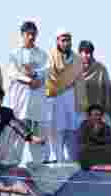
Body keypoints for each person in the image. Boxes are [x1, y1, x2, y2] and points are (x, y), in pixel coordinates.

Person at [5, 21, 47, 164]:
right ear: (22, 35)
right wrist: (28, 80)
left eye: (34, 34)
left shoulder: (42, 54)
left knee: (37, 136)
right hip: (20, 102)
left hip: (36, 104)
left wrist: (35, 74)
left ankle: (39, 165)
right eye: (28, 34)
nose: (31, 37)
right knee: (17, 135)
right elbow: (12, 73)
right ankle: (12, 164)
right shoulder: (14, 54)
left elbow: (46, 71)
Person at [44, 30, 79, 163]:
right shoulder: (51, 56)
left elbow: (79, 80)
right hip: (55, 96)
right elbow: (50, 76)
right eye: (63, 40)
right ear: (57, 41)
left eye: (68, 40)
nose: (66, 43)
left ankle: (71, 159)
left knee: (71, 129)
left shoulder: (76, 59)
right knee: (56, 129)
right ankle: (57, 158)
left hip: (71, 97)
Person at [76, 103, 111, 168]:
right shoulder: (84, 125)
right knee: (84, 149)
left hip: (102, 149)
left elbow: (110, 140)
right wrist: (94, 133)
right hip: (89, 151)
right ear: (89, 116)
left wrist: (98, 137)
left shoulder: (105, 126)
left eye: (100, 115)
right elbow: (83, 141)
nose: (98, 117)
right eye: (95, 115)